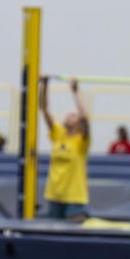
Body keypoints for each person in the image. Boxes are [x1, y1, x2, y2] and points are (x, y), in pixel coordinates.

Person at [40, 76, 90, 222]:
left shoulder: (81, 141)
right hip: (55, 195)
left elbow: (85, 118)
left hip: (74, 197)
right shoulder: (58, 133)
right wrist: (45, 85)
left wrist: (76, 92)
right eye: (70, 114)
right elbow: (43, 108)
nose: (71, 114)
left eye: (74, 115)